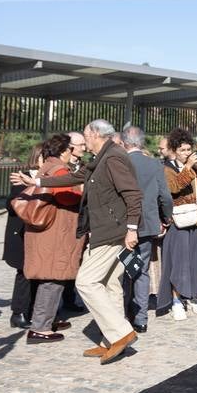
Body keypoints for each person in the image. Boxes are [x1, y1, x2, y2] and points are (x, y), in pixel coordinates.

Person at [68, 120, 142, 363]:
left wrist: (132, 228)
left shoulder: (112, 157)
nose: (84, 139)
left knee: (86, 282)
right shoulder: (102, 157)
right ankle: (110, 340)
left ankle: (121, 333)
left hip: (112, 232)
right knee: (110, 283)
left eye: (86, 135)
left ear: (96, 134)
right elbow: (76, 176)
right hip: (107, 230)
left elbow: (132, 193)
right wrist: (36, 183)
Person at [22, 135, 84, 343]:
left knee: (50, 277)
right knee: (53, 278)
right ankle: (40, 327)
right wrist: (83, 192)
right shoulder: (60, 170)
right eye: (72, 148)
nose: (75, 151)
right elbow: (66, 196)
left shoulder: (47, 165)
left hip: (46, 231)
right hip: (57, 232)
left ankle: (47, 319)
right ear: (65, 151)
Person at [161, 128, 197, 319]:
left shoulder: (196, 166)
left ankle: (193, 296)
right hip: (178, 220)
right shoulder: (167, 168)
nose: (186, 153)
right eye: (183, 150)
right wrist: (187, 168)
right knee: (179, 262)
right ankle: (177, 299)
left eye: (188, 149)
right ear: (174, 150)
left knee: (196, 260)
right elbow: (174, 187)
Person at [120, 126, 171, 333]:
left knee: (122, 271)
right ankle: (141, 319)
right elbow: (165, 197)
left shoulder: (119, 163)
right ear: (142, 143)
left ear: (124, 143)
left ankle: (122, 315)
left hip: (122, 227)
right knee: (141, 271)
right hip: (147, 226)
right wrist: (165, 217)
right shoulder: (154, 164)